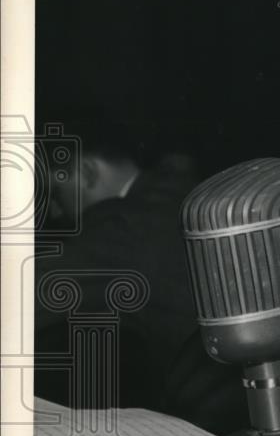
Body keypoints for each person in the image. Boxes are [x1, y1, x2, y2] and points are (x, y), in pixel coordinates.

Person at [34, 111, 200, 412]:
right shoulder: (176, 188)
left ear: (85, 172)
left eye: (55, 193)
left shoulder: (129, 221)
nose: (56, 212)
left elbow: (26, 297)